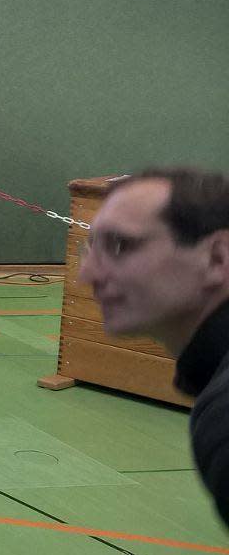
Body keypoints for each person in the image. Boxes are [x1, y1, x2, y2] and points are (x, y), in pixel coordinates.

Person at [82, 167, 229, 524]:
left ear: (217, 258)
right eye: (89, 248)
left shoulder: (223, 419)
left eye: (121, 246)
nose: (87, 274)